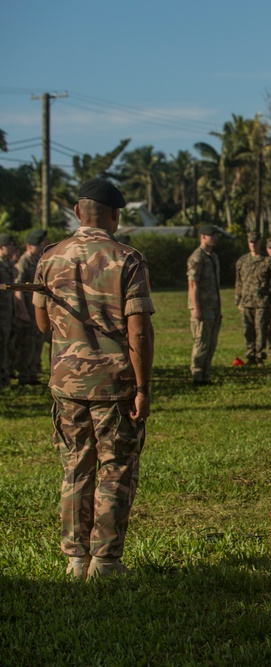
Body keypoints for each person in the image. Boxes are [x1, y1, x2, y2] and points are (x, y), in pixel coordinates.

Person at [32, 179, 155, 578]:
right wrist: (142, 388)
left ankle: (75, 560)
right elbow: (138, 331)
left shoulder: (50, 257)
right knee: (115, 468)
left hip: (67, 382)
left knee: (75, 466)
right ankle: (105, 562)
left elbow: (41, 322)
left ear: (76, 211)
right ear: (115, 215)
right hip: (114, 383)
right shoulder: (127, 258)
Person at [233, 232, 271, 365]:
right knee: (248, 330)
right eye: (250, 242)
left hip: (262, 302)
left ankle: (259, 355)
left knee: (261, 330)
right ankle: (250, 355)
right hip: (246, 302)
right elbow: (238, 282)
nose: (252, 244)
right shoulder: (242, 261)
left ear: (260, 243)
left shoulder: (268, 261)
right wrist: (238, 300)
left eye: (255, 242)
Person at [187, 224, 221, 385]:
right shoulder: (197, 257)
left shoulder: (212, 256)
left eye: (215, 235)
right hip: (202, 307)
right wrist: (196, 308)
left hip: (213, 306)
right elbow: (192, 284)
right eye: (211, 235)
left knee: (211, 343)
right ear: (202, 237)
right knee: (201, 342)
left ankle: (206, 375)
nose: (214, 238)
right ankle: (197, 376)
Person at [14, 228, 48, 385]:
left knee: (36, 343)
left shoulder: (37, 261)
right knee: (27, 344)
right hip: (27, 310)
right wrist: (23, 311)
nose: (42, 246)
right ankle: (24, 375)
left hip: (35, 310)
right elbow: (17, 290)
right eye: (38, 244)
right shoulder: (24, 262)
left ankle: (32, 372)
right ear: (29, 245)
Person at [0, 234, 17, 389]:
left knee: (6, 346)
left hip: (8, 315)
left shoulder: (9, 265)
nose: (13, 248)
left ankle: (5, 378)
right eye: (10, 245)